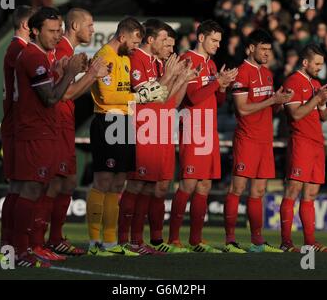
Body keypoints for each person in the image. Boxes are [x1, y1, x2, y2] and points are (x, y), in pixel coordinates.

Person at [11, 6, 86, 267]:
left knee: (35, 189)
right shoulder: (32, 56)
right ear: (34, 30)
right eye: (51, 31)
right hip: (35, 132)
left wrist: (62, 70)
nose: (57, 36)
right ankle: (22, 251)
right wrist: (70, 72)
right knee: (31, 189)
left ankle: (22, 249)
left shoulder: (41, 56)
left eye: (59, 31)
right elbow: (51, 97)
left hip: (42, 131)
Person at [87, 17, 168, 256]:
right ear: (123, 36)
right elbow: (107, 97)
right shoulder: (104, 56)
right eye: (134, 41)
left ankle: (111, 242)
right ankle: (93, 243)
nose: (136, 46)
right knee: (103, 182)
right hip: (107, 120)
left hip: (124, 121)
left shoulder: (124, 57)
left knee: (117, 183)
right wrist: (138, 98)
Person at [36, 8, 109, 257]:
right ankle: (39, 241)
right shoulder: (63, 50)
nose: (93, 29)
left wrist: (89, 74)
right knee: (56, 183)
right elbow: (65, 93)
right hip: (56, 123)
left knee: (66, 182)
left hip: (64, 123)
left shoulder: (68, 50)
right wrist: (92, 75)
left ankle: (53, 238)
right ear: (75, 26)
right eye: (89, 25)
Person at [118, 20, 195, 254]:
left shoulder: (158, 63)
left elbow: (171, 101)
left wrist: (181, 78)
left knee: (151, 188)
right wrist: (172, 76)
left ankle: (139, 241)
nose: (169, 48)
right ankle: (123, 240)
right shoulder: (137, 59)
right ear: (150, 40)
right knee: (136, 185)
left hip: (161, 129)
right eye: (165, 42)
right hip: (142, 129)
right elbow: (152, 97)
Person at [168, 20, 237, 253]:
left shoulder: (211, 64)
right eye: (214, 40)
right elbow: (193, 98)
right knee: (188, 182)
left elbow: (216, 101)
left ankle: (196, 239)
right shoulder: (188, 60)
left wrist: (223, 86)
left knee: (205, 184)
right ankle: (173, 238)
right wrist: (217, 82)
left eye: (219, 41)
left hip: (209, 127)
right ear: (201, 38)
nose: (218, 45)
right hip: (192, 126)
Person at [224, 29, 293, 253]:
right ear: (251, 48)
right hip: (247, 139)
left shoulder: (268, 73)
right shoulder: (242, 73)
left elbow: (268, 109)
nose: (267, 54)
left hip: (265, 140)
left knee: (259, 191)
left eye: (269, 50)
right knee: (238, 187)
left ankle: (257, 240)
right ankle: (230, 240)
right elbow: (242, 109)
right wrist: (272, 99)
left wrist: (280, 102)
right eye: (263, 49)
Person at [280, 44, 327, 253]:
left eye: (322, 64)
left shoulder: (316, 83)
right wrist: (317, 98)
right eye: (317, 63)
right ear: (305, 62)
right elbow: (295, 114)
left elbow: (324, 116)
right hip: (301, 141)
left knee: (310, 195)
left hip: (316, 143)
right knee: (292, 190)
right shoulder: (293, 81)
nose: (320, 68)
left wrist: (323, 102)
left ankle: (310, 242)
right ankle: (286, 242)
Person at [0, 5, 35, 253]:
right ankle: (16, 248)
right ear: (25, 25)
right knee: (23, 187)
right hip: (18, 126)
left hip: (15, 124)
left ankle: (11, 248)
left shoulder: (16, 50)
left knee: (19, 187)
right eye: (35, 24)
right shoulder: (20, 51)